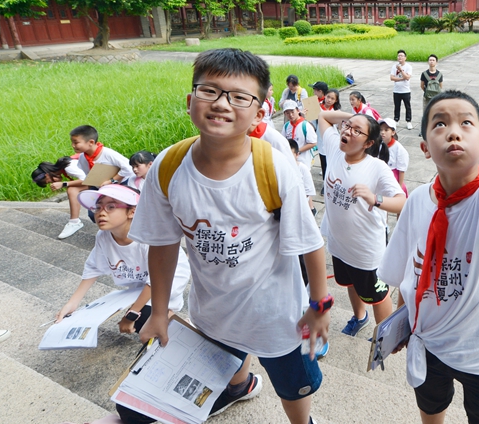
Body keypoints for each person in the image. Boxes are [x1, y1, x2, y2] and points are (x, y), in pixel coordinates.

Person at [129, 48, 330, 424]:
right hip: (212, 313)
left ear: (259, 112)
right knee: (225, 360)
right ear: (191, 101)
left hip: (278, 319)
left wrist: (318, 308)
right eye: (210, 91)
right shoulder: (169, 167)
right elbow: (163, 243)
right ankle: (239, 387)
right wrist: (157, 311)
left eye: (239, 97)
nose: (222, 104)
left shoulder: (272, 167)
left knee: (294, 388)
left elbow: (310, 244)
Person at [379, 0, 479, 424]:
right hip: (429, 341)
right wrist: (403, 319)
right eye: (439, 124)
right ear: (424, 146)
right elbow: (403, 268)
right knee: (431, 410)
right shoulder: (419, 201)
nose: (453, 131)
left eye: (467, 123)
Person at [317, 107, 406, 336]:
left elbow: (402, 201)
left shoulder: (376, 167)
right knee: (351, 285)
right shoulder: (335, 150)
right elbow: (324, 116)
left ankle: (384, 339)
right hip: (339, 244)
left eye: (357, 131)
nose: (347, 131)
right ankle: (359, 317)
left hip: (366, 251)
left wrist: (375, 198)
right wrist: (355, 119)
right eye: (347, 126)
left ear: (369, 143)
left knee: (377, 295)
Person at [56, 184, 190, 335]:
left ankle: (187, 333)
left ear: (132, 212)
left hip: (169, 278)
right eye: (98, 207)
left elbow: (157, 281)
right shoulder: (104, 236)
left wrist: (132, 313)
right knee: (143, 317)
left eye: (111, 207)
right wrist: (72, 303)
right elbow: (93, 267)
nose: (101, 213)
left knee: (145, 317)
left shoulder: (149, 237)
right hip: (140, 283)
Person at [57, 126, 133, 239]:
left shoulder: (108, 153)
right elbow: (87, 173)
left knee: (118, 211)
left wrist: (112, 180)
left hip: (117, 186)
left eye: (76, 142)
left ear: (91, 142)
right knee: (93, 214)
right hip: (99, 187)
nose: (73, 145)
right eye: (72, 142)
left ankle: (123, 233)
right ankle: (111, 233)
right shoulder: (83, 157)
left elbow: (128, 167)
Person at [32, 156, 86, 229]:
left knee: (71, 189)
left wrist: (63, 184)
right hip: (98, 179)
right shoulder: (64, 168)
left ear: (47, 174)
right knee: (72, 189)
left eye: (49, 181)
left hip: (101, 179)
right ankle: (74, 221)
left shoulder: (69, 167)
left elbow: (86, 180)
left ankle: (74, 222)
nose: (52, 183)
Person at [377, 118, 410, 196]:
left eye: (386, 130)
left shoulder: (399, 149)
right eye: (381, 130)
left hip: (393, 179)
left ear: (393, 132)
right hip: (380, 177)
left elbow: (401, 170)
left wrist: (399, 187)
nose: (382, 132)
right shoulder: (378, 145)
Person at [282, 100, 318, 168]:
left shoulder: (305, 125)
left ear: (298, 110)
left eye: (292, 112)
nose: (291, 115)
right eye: (287, 113)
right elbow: (283, 141)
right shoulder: (286, 126)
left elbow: (313, 143)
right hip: (290, 159)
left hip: (303, 160)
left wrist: (297, 150)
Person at [288, 138, 318, 217]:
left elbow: (308, 192)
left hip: (299, 207)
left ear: (297, 154)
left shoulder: (303, 169)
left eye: (290, 155)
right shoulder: (280, 168)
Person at [317, 89, 342, 184]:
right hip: (320, 138)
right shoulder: (318, 107)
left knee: (332, 162)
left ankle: (333, 181)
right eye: (328, 97)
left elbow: (339, 127)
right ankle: (325, 183)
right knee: (323, 162)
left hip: (333, 138)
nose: (329, 100)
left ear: (336, 100)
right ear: (325, 96)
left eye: (332, 98)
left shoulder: (336, 111)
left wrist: (340, 121)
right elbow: (310, 121)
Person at [390, 49, 414, 130]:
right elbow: (392, 78)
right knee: (397, 106)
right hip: (396, 90)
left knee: (407, 106)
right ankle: (396, 120)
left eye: (401, 56)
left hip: (406, 90)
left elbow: (407, 77)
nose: (400, 57)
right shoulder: (394, 66)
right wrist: (401, 79)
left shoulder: (408, 67)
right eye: (398, 56)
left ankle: (408, 121)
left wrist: (400, 70)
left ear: (405, 58)